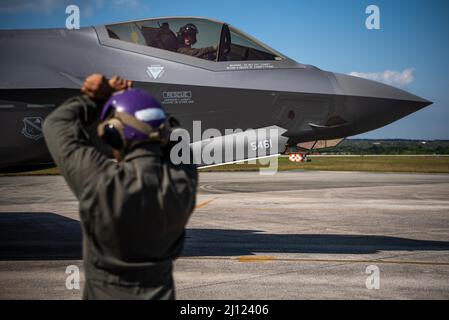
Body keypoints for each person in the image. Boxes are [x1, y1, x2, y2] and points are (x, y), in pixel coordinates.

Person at [42, 74, 198, 300]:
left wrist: (95, 99)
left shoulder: (101, 181)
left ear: (114, 134)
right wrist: (140, 101)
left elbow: (56, 123)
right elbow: (174, 135)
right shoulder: (183, 182)